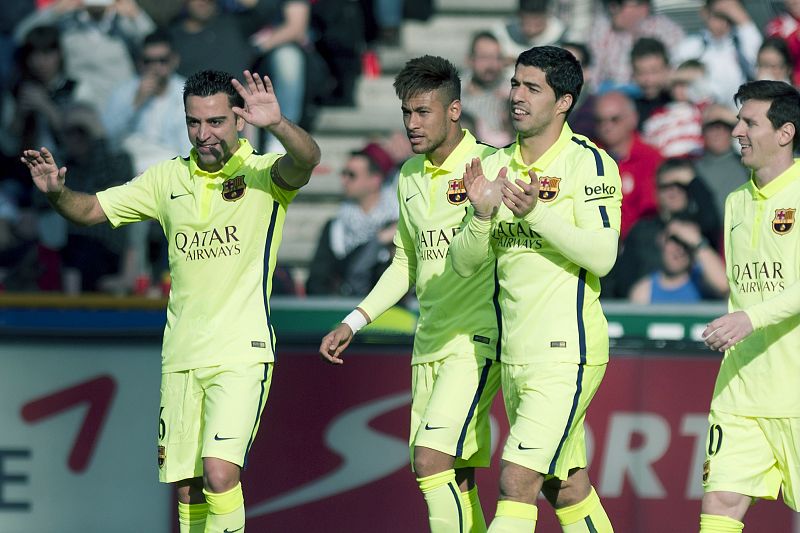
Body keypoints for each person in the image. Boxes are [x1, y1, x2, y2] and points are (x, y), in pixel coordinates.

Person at [21, 69, 321, 533]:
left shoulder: (264, 175)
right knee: (188, 488)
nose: (204, 134)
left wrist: (279, 124)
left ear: (240, 120)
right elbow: (91, 210)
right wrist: (58, 193)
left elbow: (308, 159)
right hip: (181, 357)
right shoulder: (167, 179)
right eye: (193, 123)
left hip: (240, 353)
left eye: (216, 122)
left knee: (220, 473)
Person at [319, 55, 501, 532]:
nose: (412, 124)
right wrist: (354, 320)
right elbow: (406, 263)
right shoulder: (409, 176)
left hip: (475, 341)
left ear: (454, 110)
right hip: (428, 343)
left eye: (423, 112)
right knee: (457, 476)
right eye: (406, 112)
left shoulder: (492, 166)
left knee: (430, 462)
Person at [450, 45, 617, 533]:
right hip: (515, 355)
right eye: (515, 84)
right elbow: (463, 265)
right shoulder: (494, 164)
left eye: (532, 88)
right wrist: (481, 215)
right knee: (566, 487)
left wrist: (536, 214)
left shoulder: (589, 163)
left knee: (516, 481)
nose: (517, 96)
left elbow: (603, 256)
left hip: (567, 353)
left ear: (563, 101)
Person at [699, 80, 800, 532]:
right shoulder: (735, 201)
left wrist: (751, 318)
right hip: (740, 389)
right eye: (738, 120)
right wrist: (738, 322)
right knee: (720, 501)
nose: (737, 130)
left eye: (750, 122)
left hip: (794, 390)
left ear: (785, 132)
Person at [305, 148, 398, 296]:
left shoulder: (399, 222)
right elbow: (317, 282)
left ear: (375, 180)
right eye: (343, 174)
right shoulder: (335, 228)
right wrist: (378, 240)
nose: (344, 180)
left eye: (351, 175)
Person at [103, 28, 191, 173]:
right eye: (148, 61)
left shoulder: (187, 93)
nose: (155, 67)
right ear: (140, 62)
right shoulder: (124, 91)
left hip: (170, 165)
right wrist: (135, 103)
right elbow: (108, 138)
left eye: (162, 61)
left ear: (174, 60)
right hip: (130, 166)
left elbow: (188, 146)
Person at [628, 220, 728, 303]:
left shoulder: (703, 283)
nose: (679, 250)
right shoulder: (644, 291)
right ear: (661, 241)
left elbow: (724, 286)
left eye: (686, 244)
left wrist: (697, 241)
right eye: (674, 241)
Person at [461, 31, 515, 147]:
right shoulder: (457, 92)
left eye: (497, 58)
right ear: (470, 59)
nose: (492, 64)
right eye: (485, 57)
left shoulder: (512, 92)